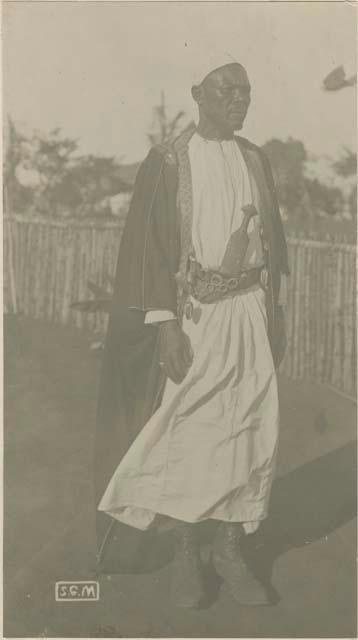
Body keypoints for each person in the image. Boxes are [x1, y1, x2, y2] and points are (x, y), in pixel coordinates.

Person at [94, 54, 289, 608]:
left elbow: (275, 243)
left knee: (249, 424)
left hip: (250, 308)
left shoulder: (256, 159)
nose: (239, 100)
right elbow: (152, 250)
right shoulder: (169, 161)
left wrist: (278, 312)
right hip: (194, 314)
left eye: (246, 92)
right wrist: (166, 327)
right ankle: (185, 552)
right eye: (227, 91)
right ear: (197, 93)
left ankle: (228, 548)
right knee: (190, 428)